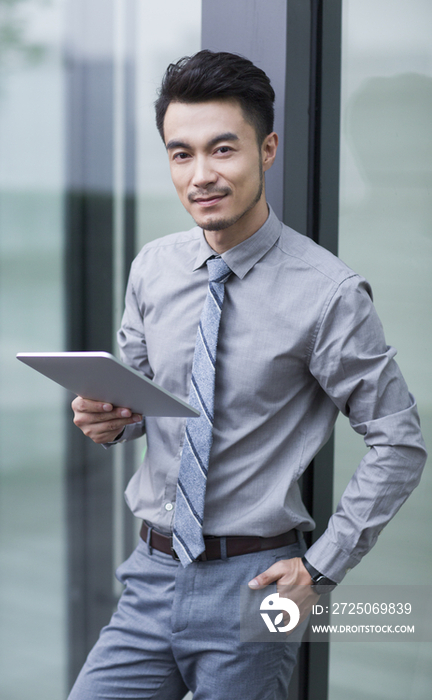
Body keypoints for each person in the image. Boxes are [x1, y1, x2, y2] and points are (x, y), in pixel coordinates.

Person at [68, 51, 427, 700]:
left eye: (222, 149)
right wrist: (113, 420)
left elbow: (399, 440)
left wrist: (320, 571)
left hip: (257, 585)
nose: (201, 175)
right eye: (182, 154)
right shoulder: (152, 268)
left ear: (267, 149)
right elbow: (150, 404)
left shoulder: (329, 294)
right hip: (149, 572)